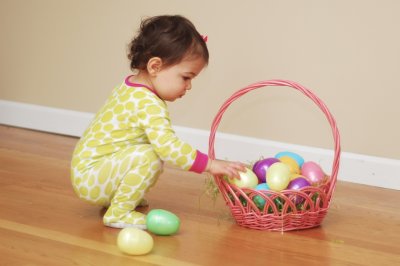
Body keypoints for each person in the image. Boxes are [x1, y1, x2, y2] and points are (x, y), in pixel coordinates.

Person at [70, 15, 245, 229]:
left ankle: (120, 196)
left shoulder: (129, 86)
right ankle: (119, 212)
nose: (189, 86)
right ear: (155, 67)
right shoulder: (147, 103)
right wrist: (210, 164)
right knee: (151, 156)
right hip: (91, 178)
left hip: (88, 171)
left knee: (146, 151)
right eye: (186, 77)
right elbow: (168, 147)